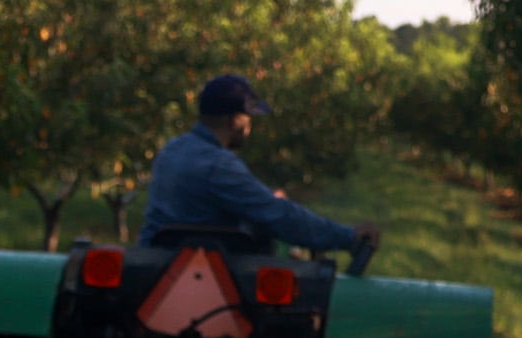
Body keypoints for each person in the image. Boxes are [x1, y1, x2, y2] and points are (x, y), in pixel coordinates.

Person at [139, 73, 378, 259]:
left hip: (155, 263)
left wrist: (264, 198)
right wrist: (347, 236)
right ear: (234, 120)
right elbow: (279, 217)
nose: (250, 126)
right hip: (199, 272)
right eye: (249, 117)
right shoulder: (219, 165)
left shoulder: (172, 150)